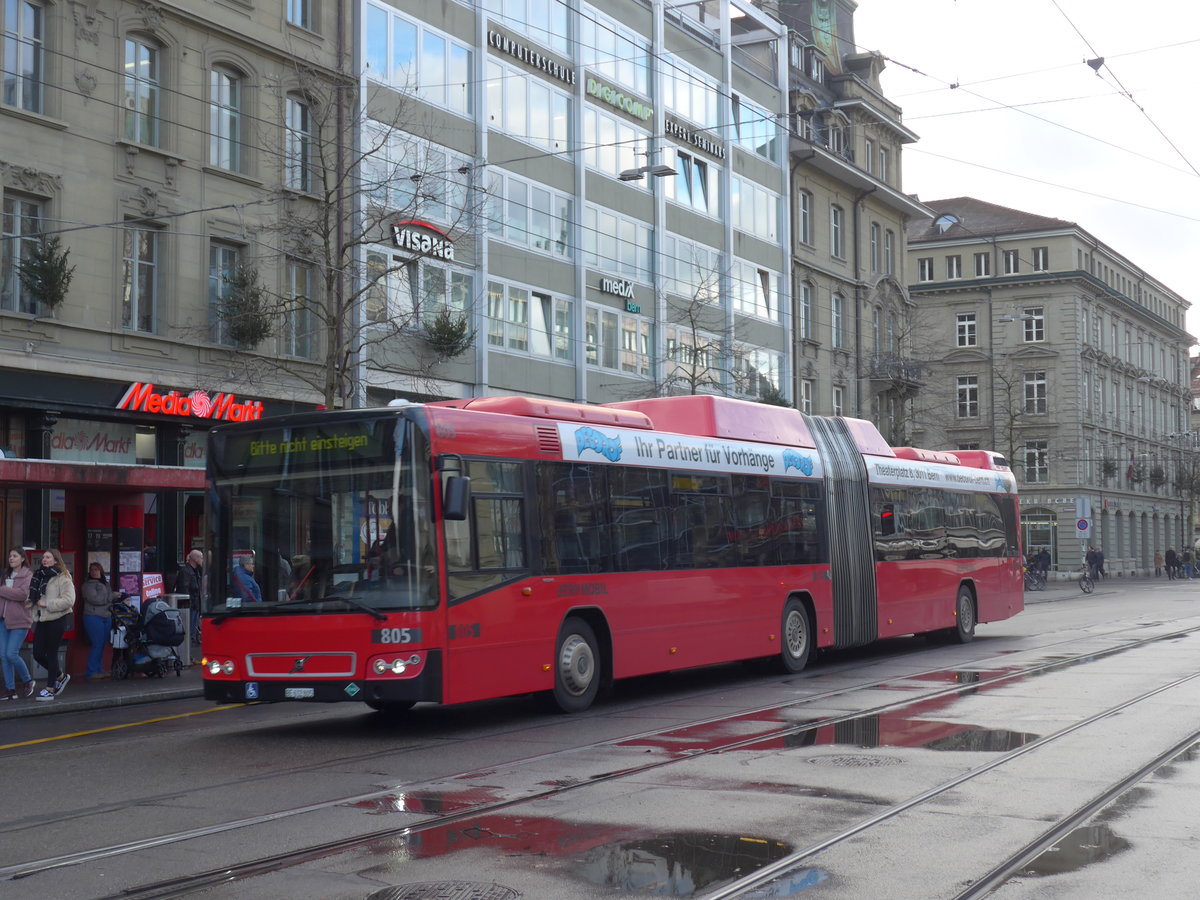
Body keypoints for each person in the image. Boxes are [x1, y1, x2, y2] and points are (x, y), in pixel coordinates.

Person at [29, 548, 76, 701]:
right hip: (42, 619)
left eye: (48, 557)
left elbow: (69, 600)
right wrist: (31, 603)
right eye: (43, 557)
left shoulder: (63, 576)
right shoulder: (39, 575)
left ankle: (50, 688)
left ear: (56, 560)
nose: (44, 559)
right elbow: (36, 597)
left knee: (51, 652)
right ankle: (60, 676)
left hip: (58, 618)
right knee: (37, 653)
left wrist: (48, 604)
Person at [0, 548, 35, 699]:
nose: (11, 558)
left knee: (11, 654)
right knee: (3, 656)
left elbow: (23, 594)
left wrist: (3, 590)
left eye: (14, 556)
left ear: (22, 558)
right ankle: (10, 690)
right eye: (10, 556)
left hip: (20, 621)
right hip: (3, 620)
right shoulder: (5, 575)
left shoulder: (28, 575)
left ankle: (28, 680)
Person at [81, 562, 114, 681]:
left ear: (101, 571)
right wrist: (111, 596)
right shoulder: (87, 585)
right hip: (93, 616)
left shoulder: (105, 583)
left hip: (106, 616)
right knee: (97, 643)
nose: (94, 572)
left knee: (103, 644)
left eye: (96, 569)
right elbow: (96, 600)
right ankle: (91, 671)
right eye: (92, 570)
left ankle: (99, 669)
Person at [175, 549, 204, 646]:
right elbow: (184, 589)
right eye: (201, 558)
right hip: (190, 604)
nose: (202, 560)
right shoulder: (186, 571)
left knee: (193, 627)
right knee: (190, 628)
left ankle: (192, 641)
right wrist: (188, 604)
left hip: (196, 603)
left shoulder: (197, 571)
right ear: (195, 559)